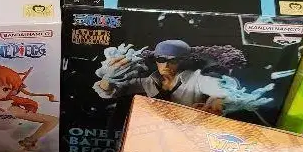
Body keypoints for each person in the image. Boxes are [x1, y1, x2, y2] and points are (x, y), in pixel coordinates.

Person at [93, 39, 234, 111]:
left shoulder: (197, 79)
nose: (166, 65)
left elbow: (224, 91)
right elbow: (111, 91)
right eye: (161, 59)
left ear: (184, 61)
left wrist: (216, 101)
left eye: (173, 60)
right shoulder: (150, 81)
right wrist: (109, 77)